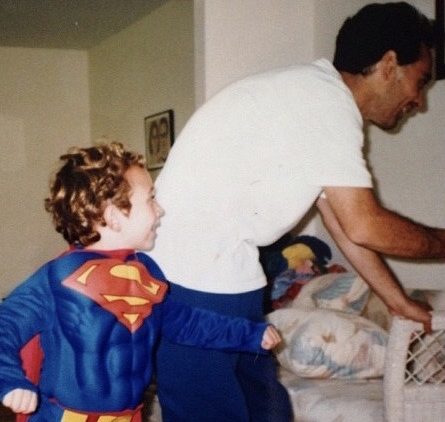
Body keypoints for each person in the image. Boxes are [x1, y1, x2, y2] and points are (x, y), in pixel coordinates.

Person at [150, 2, 445, 421]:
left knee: (269, 409)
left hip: (227, 279)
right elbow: (365, 225)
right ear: (388, 65)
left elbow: (343, 223)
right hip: (190, 285)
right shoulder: (325, 103)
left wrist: (397, 302)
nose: (419, 100)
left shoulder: (315, 98)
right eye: (420, 81)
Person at [0, 142, 281, 421]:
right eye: (151, 199)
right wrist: (10, 378)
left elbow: (186, 322)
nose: (160, 210)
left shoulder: (147, 274)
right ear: (114, 217)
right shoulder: (58, 278)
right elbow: (5, 325)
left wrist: (248, 334)